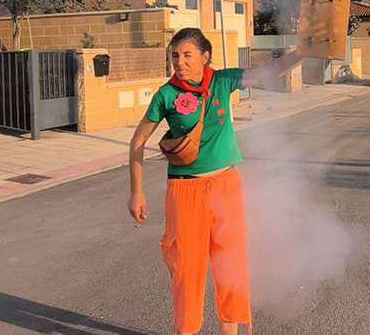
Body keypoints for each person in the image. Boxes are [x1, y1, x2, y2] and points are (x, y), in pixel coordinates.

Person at [127, 28, 303, 335]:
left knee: (231, 263)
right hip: (184, 190)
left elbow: (270, 71)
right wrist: (136, 191)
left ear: (205, 57)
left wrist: (303, 52)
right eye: (175, 56)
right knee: (186, 268)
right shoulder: (166, 95)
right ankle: (186, 330)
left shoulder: (222, 81)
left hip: (225, 185)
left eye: (187, 55)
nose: (179, 62)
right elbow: (138, 140)